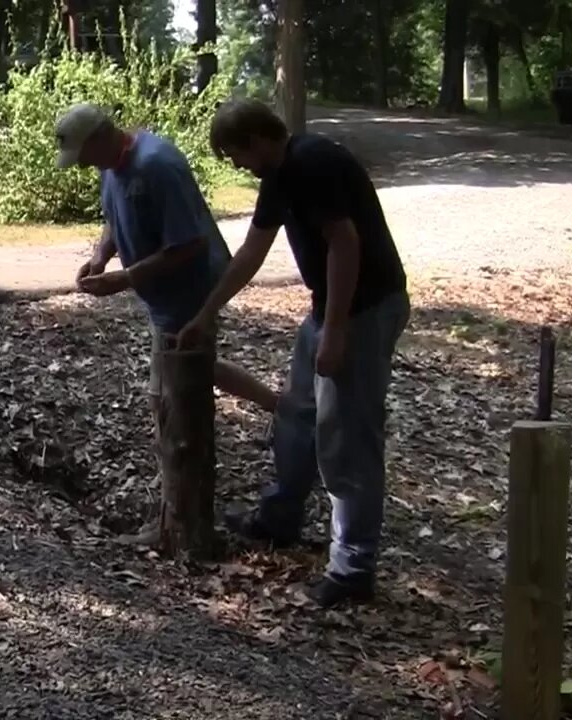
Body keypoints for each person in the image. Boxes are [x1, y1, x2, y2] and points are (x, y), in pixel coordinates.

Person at [178, 98, 410, 609]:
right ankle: (280, 517)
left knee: (347, 438)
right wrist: (205, 314)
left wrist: (333, 333)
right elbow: (251, 253)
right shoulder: (279, 175)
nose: (236, 165)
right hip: (330, 308)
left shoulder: (312, 164)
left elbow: (345, 245)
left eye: (235, 154)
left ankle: (353, 569)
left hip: (365, 310)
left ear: (257, 140)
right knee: (297, 412)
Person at [54, 102, 279, 542]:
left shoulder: (158, 165)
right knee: (190, 376)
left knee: (172, 401)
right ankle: (281, 407)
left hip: (193, 295)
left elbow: (189, 244)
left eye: (84, 156)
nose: (83, 166)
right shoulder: (111, 166)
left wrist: (127, 278)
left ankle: (181, 523)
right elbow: (115, 218)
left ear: (102, 137)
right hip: (164, 301)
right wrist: (102, 255)